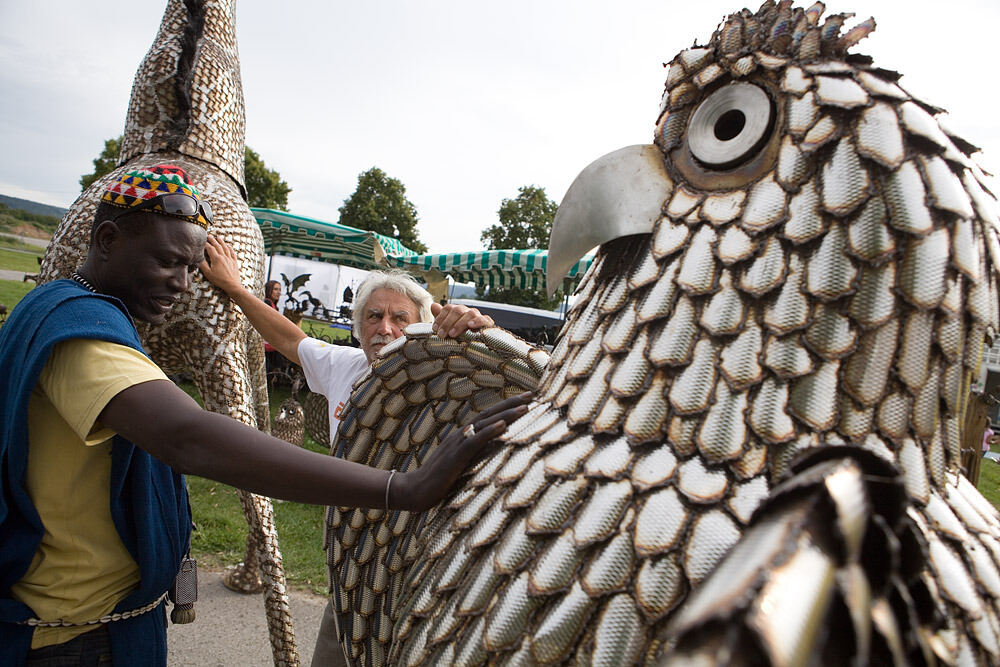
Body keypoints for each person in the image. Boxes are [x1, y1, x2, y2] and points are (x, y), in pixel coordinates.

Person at [0, 165, 529, 667]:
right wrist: (404, 487)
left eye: (189, 267)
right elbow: (190, 435)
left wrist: (477, 343)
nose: (183, 284)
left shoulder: (61, 310)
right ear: (108, 239)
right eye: (167, 262)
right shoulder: (84, 338)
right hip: (77, 634)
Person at [200, 238, 497, 666]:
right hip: (355, 568)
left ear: (423, 325)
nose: (385, 328)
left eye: (400, 317)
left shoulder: (450, 376)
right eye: (373, 316)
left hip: (427, 566)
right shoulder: (345, 366)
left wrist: (483, 336)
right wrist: (236, 289)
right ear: (358, 327)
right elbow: (287, 338)